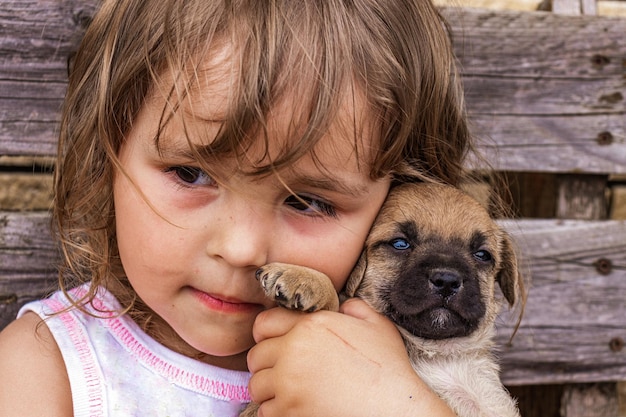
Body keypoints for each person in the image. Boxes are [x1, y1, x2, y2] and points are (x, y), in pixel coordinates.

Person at [0, 0, 475, 415]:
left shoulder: (403, 371)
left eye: (308, 201)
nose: (242, 249)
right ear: (108, 156)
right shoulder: (46, 368)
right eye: (191, 174)